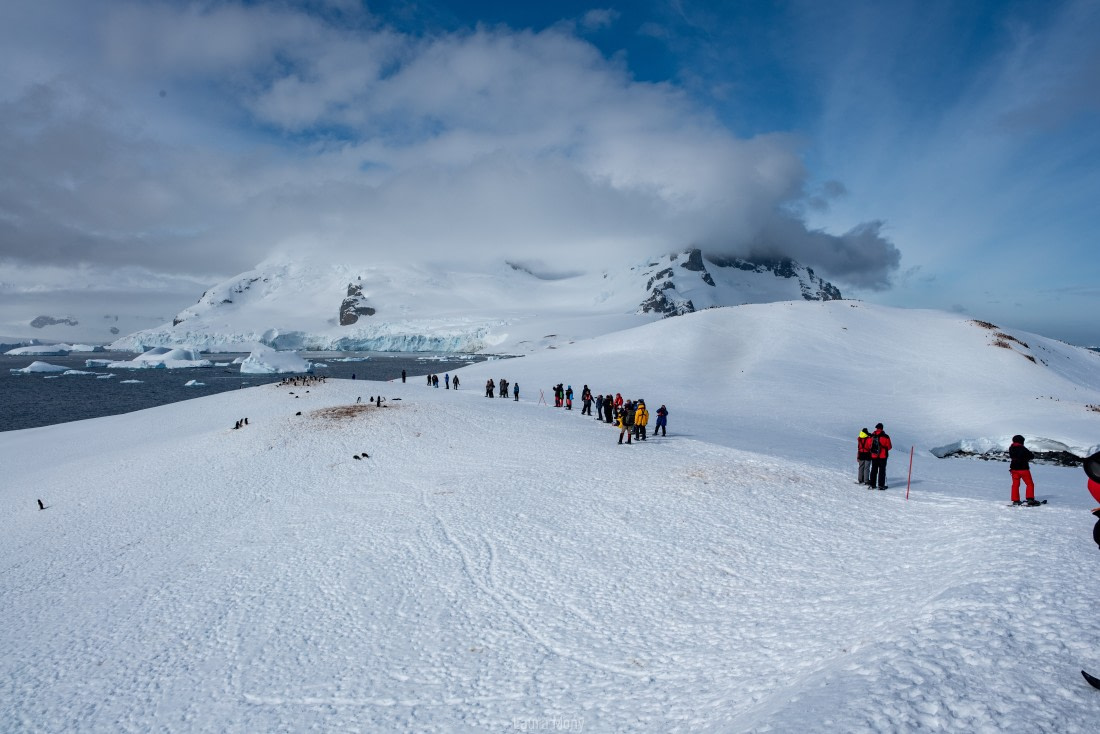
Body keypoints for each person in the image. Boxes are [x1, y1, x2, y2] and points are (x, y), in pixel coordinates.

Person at [1009, 434, 1041, 506]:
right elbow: (1031, 456)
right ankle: (1030, 499)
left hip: (1014, 469)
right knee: (1029, 484)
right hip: (1023, 469)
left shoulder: (1011, 448)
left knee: (1015, 485)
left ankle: (1015, 500)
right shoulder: (1022, 448)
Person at [867, 423, 892, 489]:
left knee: (873, 470)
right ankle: (881, 485)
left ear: (876, 428)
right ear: (882, 428)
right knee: (882, 471)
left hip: (874, 455)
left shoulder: (872, 436)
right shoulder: (886, 436)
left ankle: (872, 484)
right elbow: (889, 447)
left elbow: (869, 445)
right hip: (883, 456)